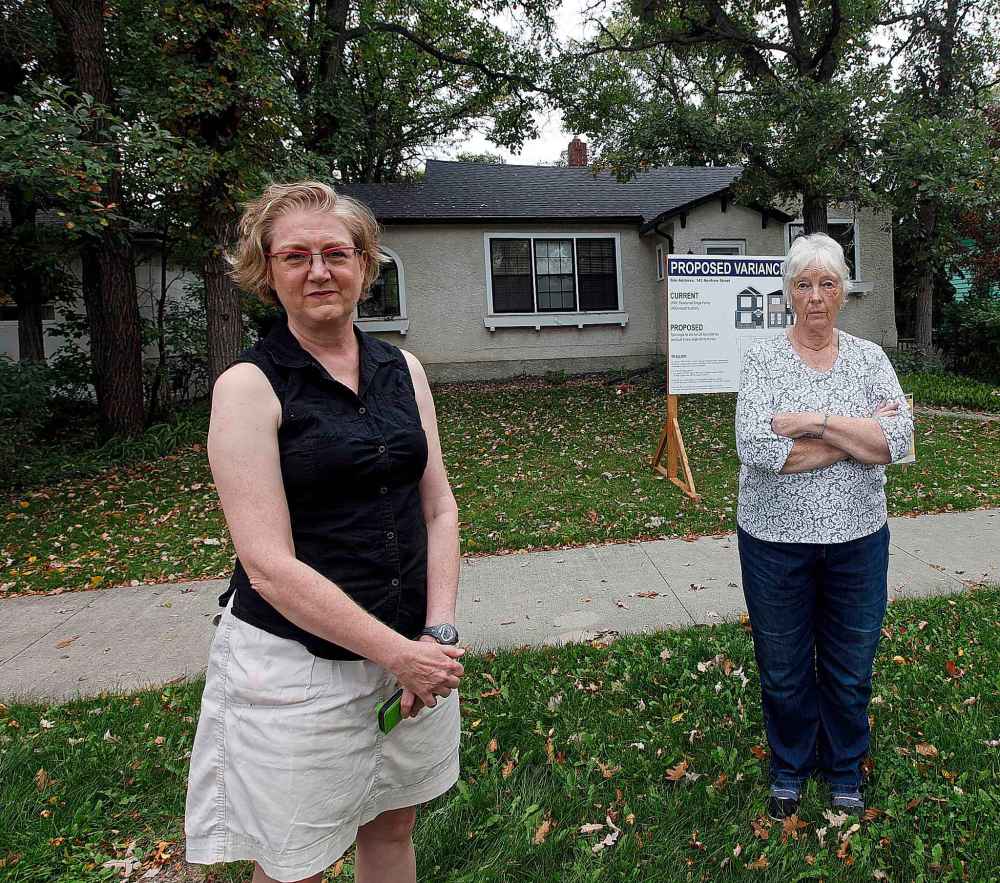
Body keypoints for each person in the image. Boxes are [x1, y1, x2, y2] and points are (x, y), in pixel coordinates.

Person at [185, 181, 465, 883]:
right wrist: (400, 653)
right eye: (296, 256)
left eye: (336, 253)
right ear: (266, 271)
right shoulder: (249, 386)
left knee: (393, 824)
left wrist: (437, 633)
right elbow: (269, 565)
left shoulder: (404, 369)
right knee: (295, 861)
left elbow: (440, 509)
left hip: (414, 652)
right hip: (298, 667)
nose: (318, 271)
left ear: (365, 265)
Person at [734, 232, 913, 822]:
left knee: (850, 664)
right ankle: (789, 766)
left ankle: (843, 768)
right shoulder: (762, 359)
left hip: (858, 541)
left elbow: (899, 442)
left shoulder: (869, 359)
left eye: (828, 284)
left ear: (843, 293)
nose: (815, 297)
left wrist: (813, 421)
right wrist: (857, 436)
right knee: (783, 667)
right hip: (774, 542)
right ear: (787, 293)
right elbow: (759, 450)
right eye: (804, 284)